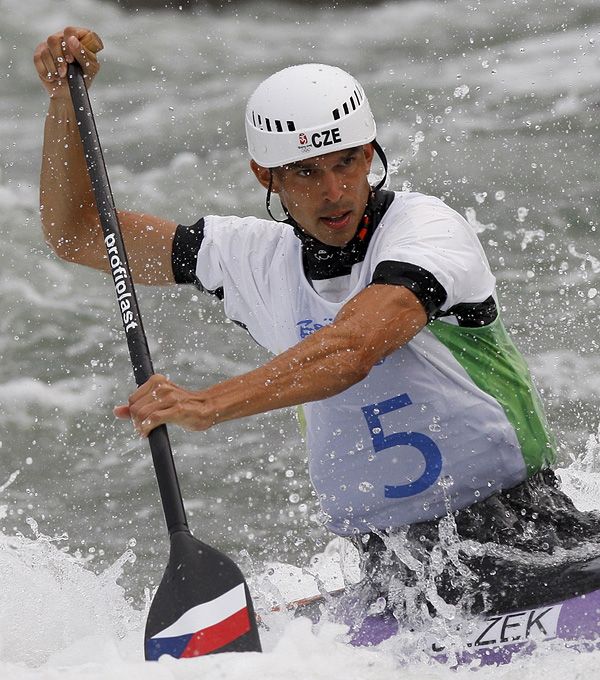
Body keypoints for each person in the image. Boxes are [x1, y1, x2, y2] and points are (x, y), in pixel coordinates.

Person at [34, 27, 600, 621]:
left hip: (528, 539)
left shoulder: (424, 230)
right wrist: (63, 101)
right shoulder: (248, 258)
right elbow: (77, 231)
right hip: (396, 571)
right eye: (306, 172)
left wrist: (208, 404)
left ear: (370, 152)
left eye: (347, 163)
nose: (335, 192)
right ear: (265, 176)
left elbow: (352, 349)